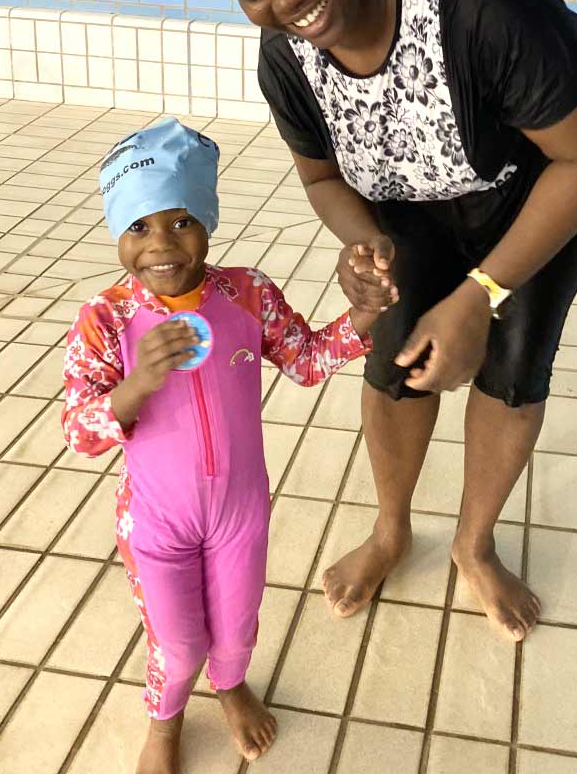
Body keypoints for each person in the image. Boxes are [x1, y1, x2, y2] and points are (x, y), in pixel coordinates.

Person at [188, 0, 577, 643]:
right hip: (410, 195)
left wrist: (481, 293)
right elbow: (324, 180)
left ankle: (474, 544)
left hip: (542, 179)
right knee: (395, 352)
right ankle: (392, 532)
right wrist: (366, 245)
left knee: (513, 361)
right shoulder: (286, 57)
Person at [61, 118, 375, 772]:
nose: (161, 244)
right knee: (176, 644)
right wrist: (136, 385)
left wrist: (366, 315)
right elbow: (79, 432)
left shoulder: (246, 292)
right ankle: (166, 721)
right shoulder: (106, 320)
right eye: (139, 227)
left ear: (208, 218)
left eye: (182, 220)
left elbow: (307, 360)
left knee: (236, 627)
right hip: (155, 520)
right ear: (117, 233)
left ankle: (230, 686)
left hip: (239, 509)